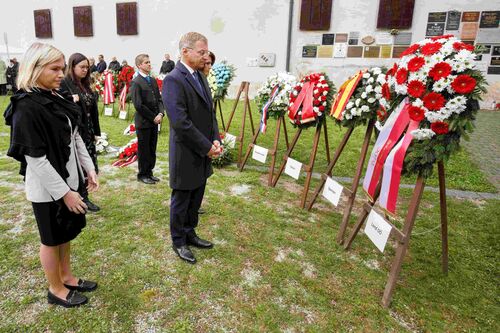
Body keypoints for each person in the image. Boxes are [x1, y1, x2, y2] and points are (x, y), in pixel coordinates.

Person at [4, 42, 99, 308]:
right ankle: (55, 288)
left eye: (61, 68)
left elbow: (75, 135)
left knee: (65, 234)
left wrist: (88, 168)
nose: (61, 74)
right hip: (48, 188)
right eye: (54, 68)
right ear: (35, 68)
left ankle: (66, 276)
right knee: (50, 239)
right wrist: (65, 193)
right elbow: (36, 159)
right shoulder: (27, 106)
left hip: (69, 179)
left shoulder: (55, 96)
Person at [162, 32, 222, 264]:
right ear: (185, 52)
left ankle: (190, 232)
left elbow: (210, 113)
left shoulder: (200, 76)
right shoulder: (174, 80)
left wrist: (215, 139)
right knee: (182, 198)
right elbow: (180, 122)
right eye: (201, 52)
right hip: (187, 152)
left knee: (197, 195)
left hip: (203, 149)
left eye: (206, 51)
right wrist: (206, 147)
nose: (206, 56)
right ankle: (178, 240)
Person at [59, 53, 102, 212]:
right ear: (72, 67)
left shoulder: (85, 84)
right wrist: (71, 99)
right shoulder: (65, 84)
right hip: (77, 129)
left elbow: (93, 110)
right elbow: (60, 103)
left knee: (88, 161)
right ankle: (82, 197)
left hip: (88, 128)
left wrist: (96, 132)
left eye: (87, 67)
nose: (85, 70)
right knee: (79, 164)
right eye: (82, 67)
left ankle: (85, 194)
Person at [130, 54, 165, 184]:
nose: (149, 64)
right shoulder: (136, 82)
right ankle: (142, 174)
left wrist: (161, 114)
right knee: (144, 150)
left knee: (152, 148)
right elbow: (138, 105)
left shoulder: (153, 80)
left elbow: (159, 99)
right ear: (139, 65)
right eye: (146, 62)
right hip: (144, 122)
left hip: (155, 121)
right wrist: (153, 117)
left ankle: (149, 172)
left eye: (149, 62)